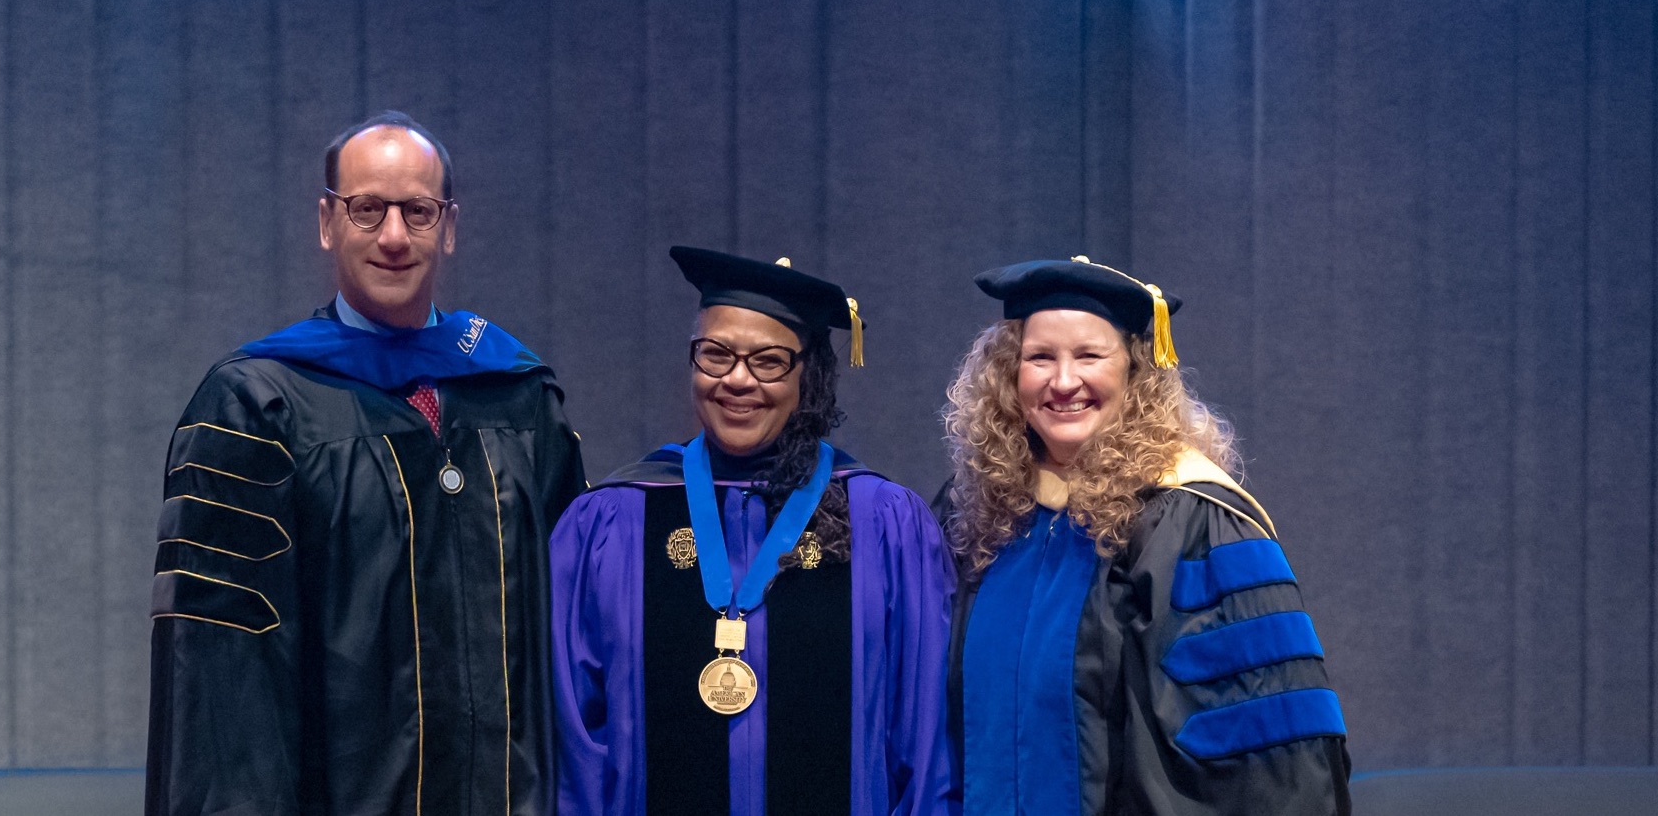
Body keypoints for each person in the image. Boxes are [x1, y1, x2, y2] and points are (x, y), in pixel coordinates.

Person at [146, 111, 585, 816]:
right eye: (366, 209)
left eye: (415, 211)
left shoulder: (521, 398)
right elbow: (221, 681)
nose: (391, 236)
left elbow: (574, 639)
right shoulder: (257, 406)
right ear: (327, 222)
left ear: (447, 226)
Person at [550, 246, 956, 816]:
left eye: (768, 361)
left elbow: (923, 741)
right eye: (715, 354)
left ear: (808, 375)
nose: (737, 380)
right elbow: (575, 747)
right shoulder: (612, 523)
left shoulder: (882, 523)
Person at [942, 257, 1351, 816]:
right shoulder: (984, 513)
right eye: (1040, 358)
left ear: (1135, 372)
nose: (1063, 382)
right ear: (1008, 374)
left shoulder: (1189, 519)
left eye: (1089, 355)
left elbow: (1266, 750)